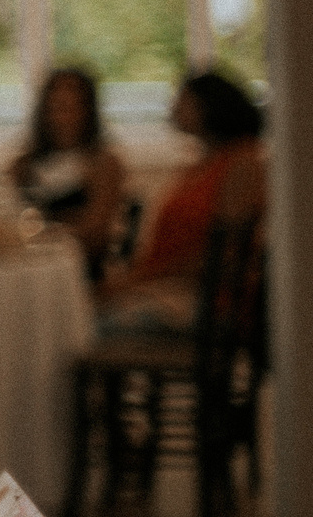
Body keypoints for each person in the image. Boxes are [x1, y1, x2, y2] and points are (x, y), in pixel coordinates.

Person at [106, 68, 266, 331]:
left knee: (86, 328)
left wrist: (139, 280)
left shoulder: (242, 161)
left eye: (183, 99)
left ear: (209, 107)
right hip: (167, 287)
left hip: (206, 301)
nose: (173, 106)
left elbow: (227, 252)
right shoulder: (203, 163)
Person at [10, 66, 129, 285]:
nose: (60, 118)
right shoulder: (24, 164)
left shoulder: (103, 163)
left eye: (69, 108)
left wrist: (38, 229)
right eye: (53, 108)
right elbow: (5, 216)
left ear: (87, 112)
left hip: (79, 275)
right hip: (25, 271)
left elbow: (96, 234)